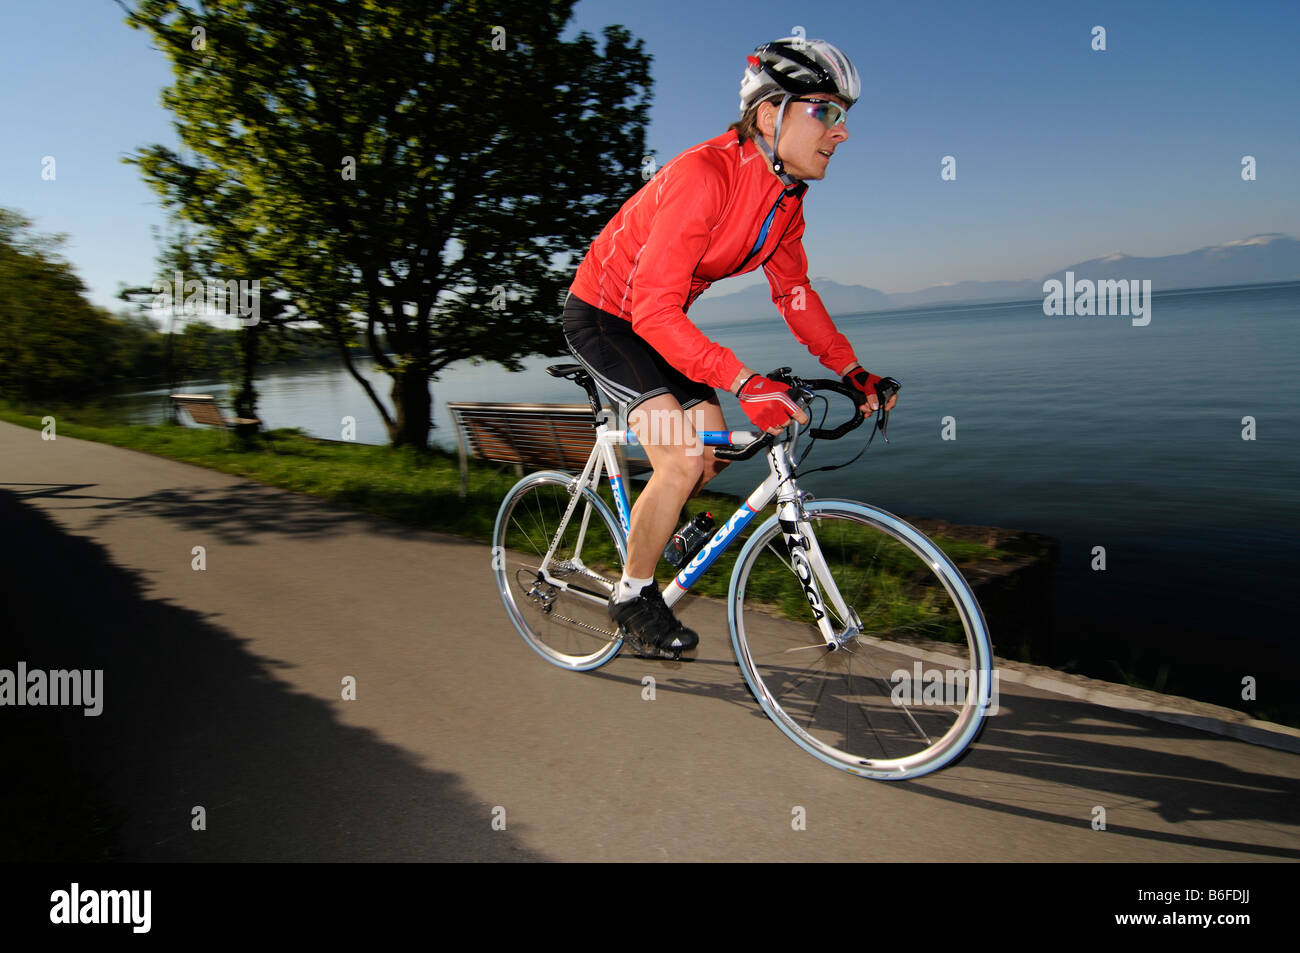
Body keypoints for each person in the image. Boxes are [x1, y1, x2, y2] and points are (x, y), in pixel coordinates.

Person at [562, 37, 897, 653]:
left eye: (843, 116)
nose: (841, 132)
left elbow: (793, 293)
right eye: (825, 111)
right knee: (682, 458)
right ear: (770, 114)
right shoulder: (703, 175)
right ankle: (633, 596)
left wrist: (851, 370)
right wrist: (745, 380)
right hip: (608, 318)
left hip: (657, 322)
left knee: (712, 451)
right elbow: (651, 308)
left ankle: (656, 529)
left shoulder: (786, 203)